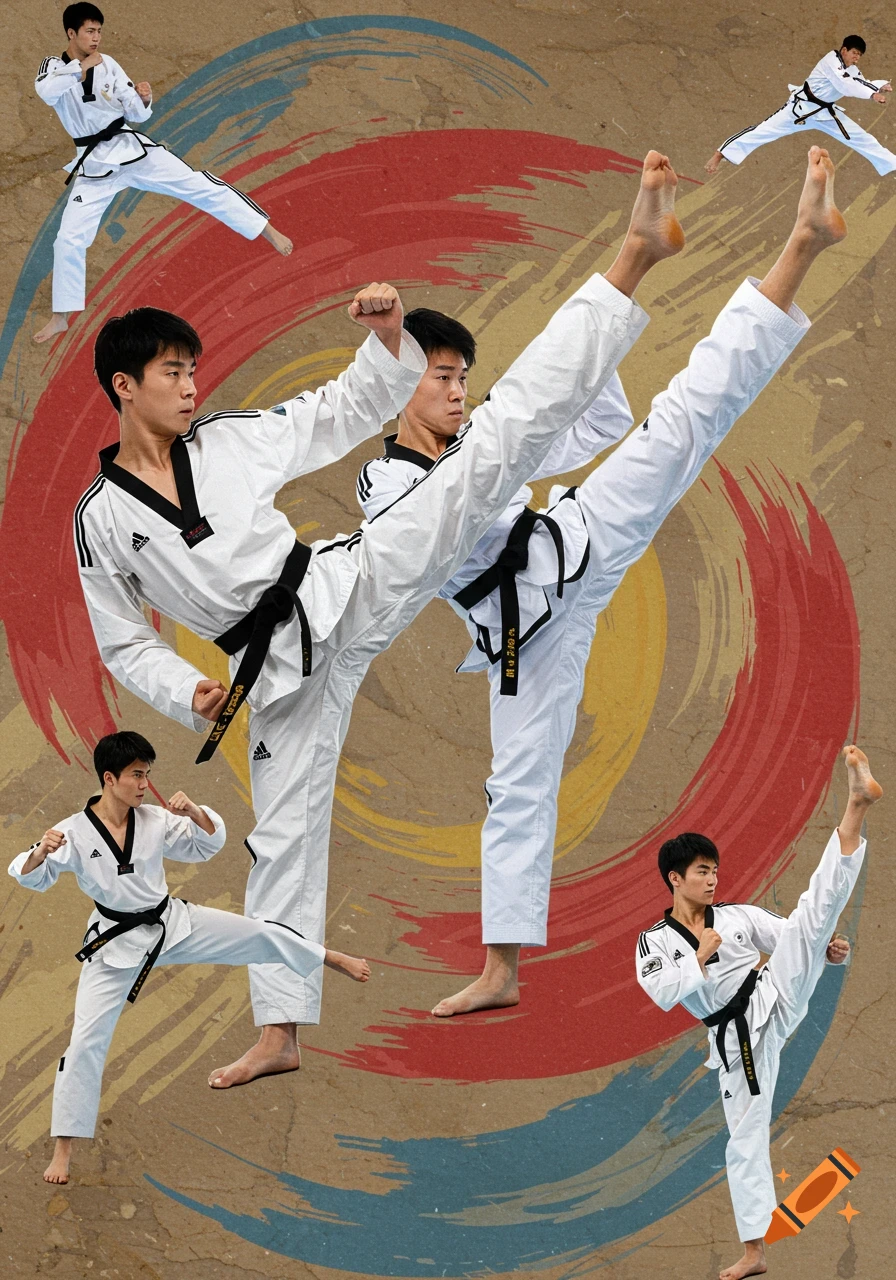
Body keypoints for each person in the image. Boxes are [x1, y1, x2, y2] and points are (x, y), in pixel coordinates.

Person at [74, 150, 681, 1089]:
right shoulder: (101, 521)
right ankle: (279, 1034)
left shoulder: (227, 443)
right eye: (170, 372)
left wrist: (390, 335)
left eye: (193, 370)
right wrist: (178, 686)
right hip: (266, 676)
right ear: (123, 385)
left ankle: (632, 258)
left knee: (491, 452)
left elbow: (338, 410)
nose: (191, 386)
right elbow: (120, 636)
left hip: (339, 585)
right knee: (280, 841)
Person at [357, 146, 846, 1020]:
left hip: (577, 540)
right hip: (521, 636)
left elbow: (600, 421)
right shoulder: (383, 482)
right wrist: (507, 434)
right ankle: (502, 970)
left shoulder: (486, 443)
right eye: (441, 378)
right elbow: (438, 534)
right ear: (403, 389)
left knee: (692, 415)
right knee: (519, 781)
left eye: (463, 377)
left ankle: (802, 243)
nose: (459, 392)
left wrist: (548, 411)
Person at [7, 731, 370, 1187]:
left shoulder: (155, 818)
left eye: (147, 774)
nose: (145, 784)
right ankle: (63, 1151)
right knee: (84, 1042)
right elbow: (27, 876)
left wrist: (195, 812)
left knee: (257, 931)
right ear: (109, 778)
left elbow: (205, 845)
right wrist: (42, 850)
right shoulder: (74, 833)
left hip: (170, 924)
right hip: (113, 945)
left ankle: (326, 956)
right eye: (137, 775)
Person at [635, 746, 881, 1280]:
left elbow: (791, 934)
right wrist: (699, 955)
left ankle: (855, 808)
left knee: (812, 916)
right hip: (734, 1036)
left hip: (773, 991)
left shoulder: (738, 915)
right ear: (675, 878)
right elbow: (661, 994)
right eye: (702, 871)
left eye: (715, 870)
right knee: (745, 1137)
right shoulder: (655, 941)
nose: (712, 879)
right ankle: (755, 1252)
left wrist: (829, 947)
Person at [32, 3, 292, 345]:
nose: (96, 38)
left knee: (198, 184)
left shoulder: (108, 63)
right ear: (71, 33)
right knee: (68, 238)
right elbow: (46, 92)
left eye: (99, 31)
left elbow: (135, 113)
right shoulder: (54, 66)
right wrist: (80, 67)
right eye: (89, 32)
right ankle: (60, 317)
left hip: (130, 148)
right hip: (93, 163)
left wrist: (143, 98)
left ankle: (266, 229)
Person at [705, 35, 894, 176]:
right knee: (762, 131)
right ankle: (720, 154)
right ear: (844, 50)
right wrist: (872, 94)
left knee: (862, 138)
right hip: (799, 110)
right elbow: (845, 84)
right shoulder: (831, 60)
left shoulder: (852, 69)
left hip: (826, 114)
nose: (856, 58)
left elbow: (861, 81)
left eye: (859, 55)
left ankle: (892, 163)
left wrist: (879, 85)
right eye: (854, 53)